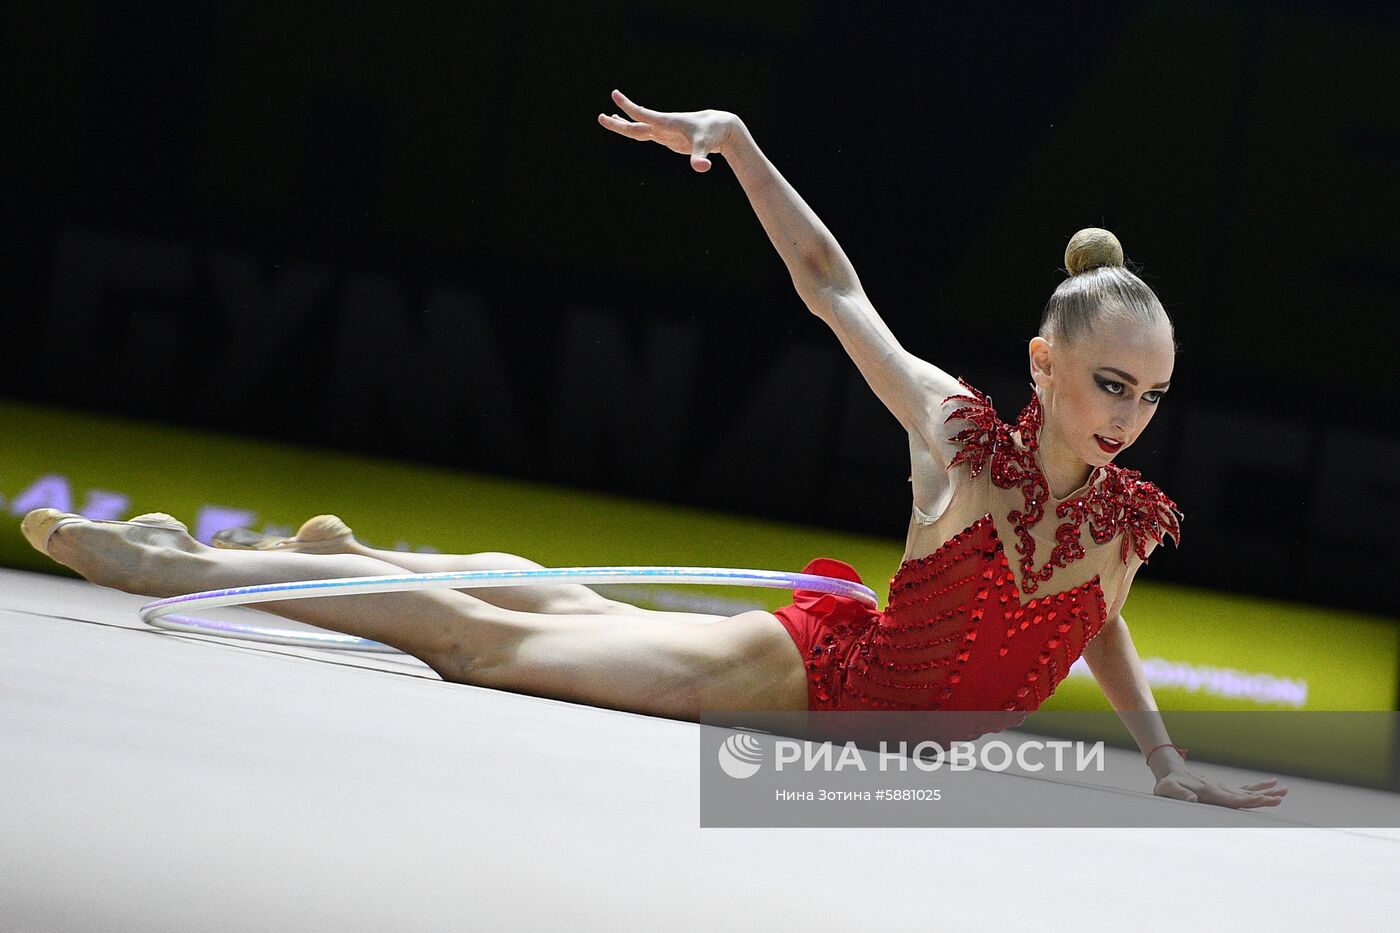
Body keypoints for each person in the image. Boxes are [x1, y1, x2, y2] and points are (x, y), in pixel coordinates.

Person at [20, 90, 1284, 809]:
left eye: (1152, 397)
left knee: (562, 601)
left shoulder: (1126, 521)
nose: (1126, 417)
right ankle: (173, 567)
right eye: (1109, 384)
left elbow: (1093, 618)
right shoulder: (956, 442)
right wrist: (736, 145)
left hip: (854, 698)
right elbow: (829, 284)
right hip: (811, 692)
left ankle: (360, 552)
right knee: (484, 648)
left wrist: (1164, 758)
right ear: (1043, 367)